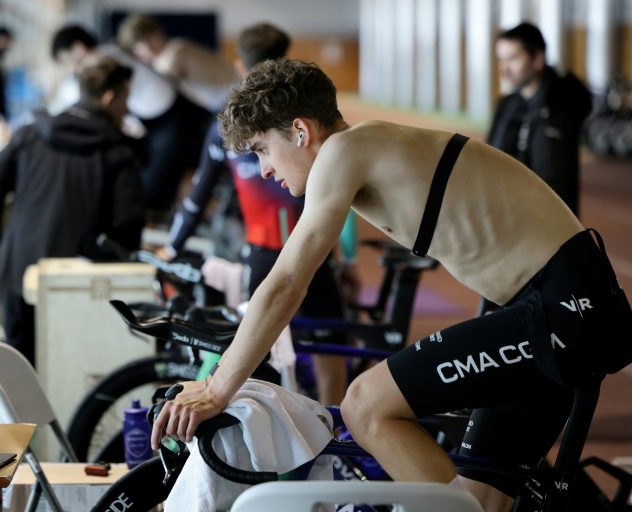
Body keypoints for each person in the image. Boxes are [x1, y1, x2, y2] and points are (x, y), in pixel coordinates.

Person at [150, 58, 632, 512]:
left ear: (300, 131)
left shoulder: (345, 150)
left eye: (261, 150)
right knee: (482, 499)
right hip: (555, 307)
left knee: (366, 404)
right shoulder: (366, 150)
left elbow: (285, 285)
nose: (265, 170)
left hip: (563, 308)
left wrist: (215, 391)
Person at [158, 22, 359, 406]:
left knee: (256, 354)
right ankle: (331, 433)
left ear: (238, 66)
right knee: (331, 348)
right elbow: (342, 197)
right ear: (285, 61)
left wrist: (172, 246)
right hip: (314, 249)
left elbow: (197, 198)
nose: (266, 166)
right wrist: (345, 256)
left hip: (263, 254)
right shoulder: (304, 126)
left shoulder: (226, 127)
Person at [0, 56, 146, 366]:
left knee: (20, 379)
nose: (128, 109)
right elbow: (127, 228)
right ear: (109, 98)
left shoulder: (30, 134)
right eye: (125, 99)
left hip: (17, 275)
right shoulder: (118, 153)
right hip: (80, 287)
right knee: (71, 377)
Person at [50, 25, 212, 219]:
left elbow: (104, 98)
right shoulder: (106, 53)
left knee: (151, 193)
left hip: (170, 120)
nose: (70, 68)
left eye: (66, 60)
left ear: (78, 48)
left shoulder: (102, 60)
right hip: (157, 120)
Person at [489, 22, 591, 217]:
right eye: (500, 60)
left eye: (512, 59)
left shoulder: (562, 107)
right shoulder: (506, 106)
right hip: (506, 225)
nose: (504, 69)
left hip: (549, 230)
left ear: (537, 59)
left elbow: (553, 182)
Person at [117, 13, 240, 115]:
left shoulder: (175, 51)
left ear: (159, 31)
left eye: (149, 37)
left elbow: (165, 79)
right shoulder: (163, 57)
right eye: (138, 44)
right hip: (223, 103)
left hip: (234, 97)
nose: (147, 46)